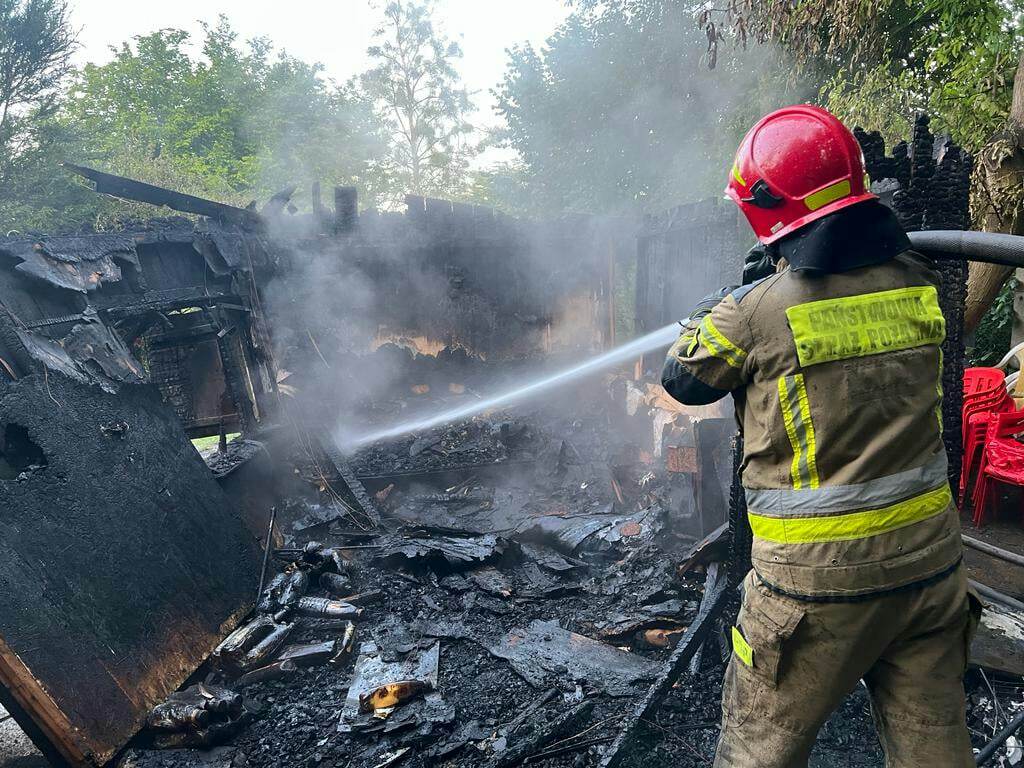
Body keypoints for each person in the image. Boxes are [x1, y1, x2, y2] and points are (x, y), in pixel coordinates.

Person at [661, 104, 981, 768]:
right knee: (933, 749)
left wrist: (728, 296)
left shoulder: (753, 313)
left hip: (813, 593)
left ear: (765, 207)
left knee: (760, 750)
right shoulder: (918, 280)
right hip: (929, 571)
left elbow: (684, 379)